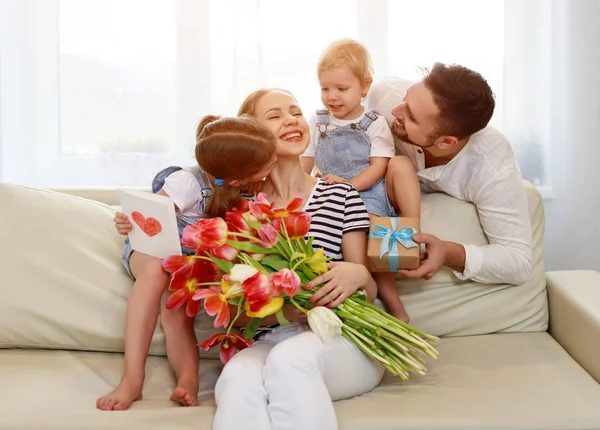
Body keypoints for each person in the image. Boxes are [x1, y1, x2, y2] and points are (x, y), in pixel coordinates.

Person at [212, 88, 385, 430]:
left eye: (294, 111)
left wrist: (360, 276)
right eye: (274, 116)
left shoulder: (339, 193)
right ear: (251, 135)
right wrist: (281, 310)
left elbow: (368, 292)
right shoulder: (242, 212)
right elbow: (234, 311)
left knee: (289, 361)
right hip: (275, 336)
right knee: (235, 375)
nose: (291, 119)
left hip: (343, 335)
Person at [96, 116, 278, 411]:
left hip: (188, 260)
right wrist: (127, 220)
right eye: (269, 163)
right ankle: (132, 378)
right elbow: (151, 218)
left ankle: (188, 380)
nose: (273, 165)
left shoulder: (248, 189)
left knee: (177, 309)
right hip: (152, 249)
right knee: (157, 270)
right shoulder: (186, 182)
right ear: (237, 178)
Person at [366, 63, 533, 284]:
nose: (396, 111)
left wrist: (448, 252)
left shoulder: (493, 168)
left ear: (446, 142)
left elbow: (518, 262)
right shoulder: (382, 96)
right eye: (406, 98)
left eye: (412, 117)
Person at [300, 38, 420, 322]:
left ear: (365, 86)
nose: (332, 96)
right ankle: (361, 298)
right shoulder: (317, 121)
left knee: (370, 227)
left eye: (342, 89)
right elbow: (305, 162)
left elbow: (379, 166)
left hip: (366, 190)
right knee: (339, 233)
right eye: (325, 88)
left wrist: (348, 187)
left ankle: (409, 246)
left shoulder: (374, 122)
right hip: (330, 194)